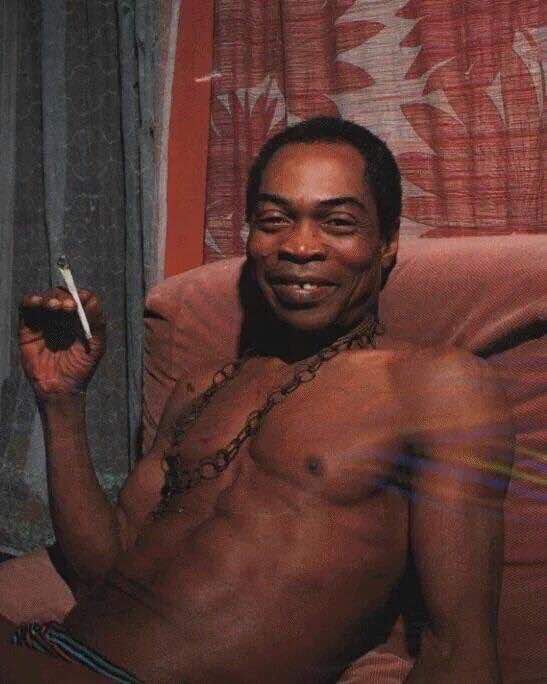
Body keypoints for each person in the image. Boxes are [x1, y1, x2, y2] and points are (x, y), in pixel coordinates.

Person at [1, 117, 513, 682]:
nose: (299, 246)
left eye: (338, 223)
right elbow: (101, 568)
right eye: (274, 220)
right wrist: (61, 400)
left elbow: (459, 650)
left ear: (387, 243)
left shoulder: (436, 387)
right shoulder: (201, 388)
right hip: (54, 650)